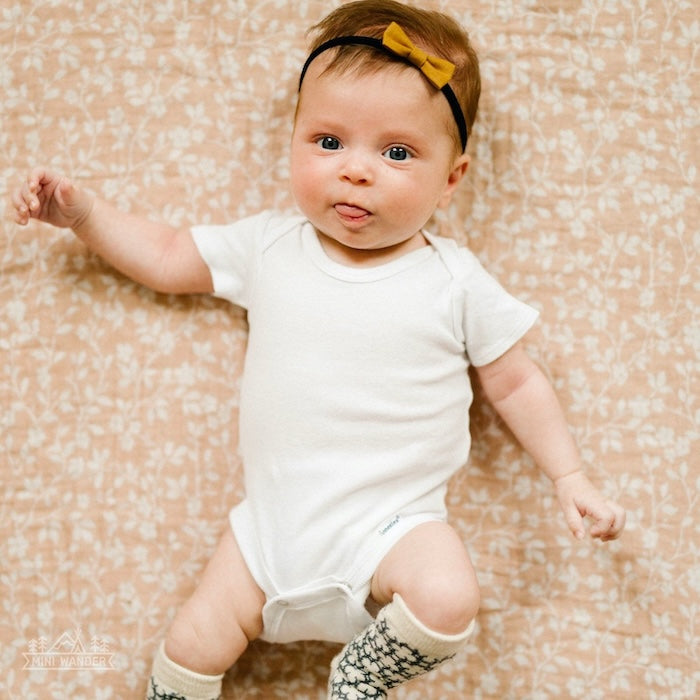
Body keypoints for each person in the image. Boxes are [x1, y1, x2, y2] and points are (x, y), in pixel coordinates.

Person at [11, 1, 626, 698]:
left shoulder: (455, 281)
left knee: (451, 595)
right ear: (293, 140)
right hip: (267, 536)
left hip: (393, 529)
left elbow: (515, 383)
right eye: (329, 142)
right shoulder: (271, 246)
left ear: (451, 179)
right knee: (188, 644)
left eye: (396, 153)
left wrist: (569, 474)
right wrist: (84, 216)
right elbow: (169, 252)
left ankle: (358, 677)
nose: (355, 171)